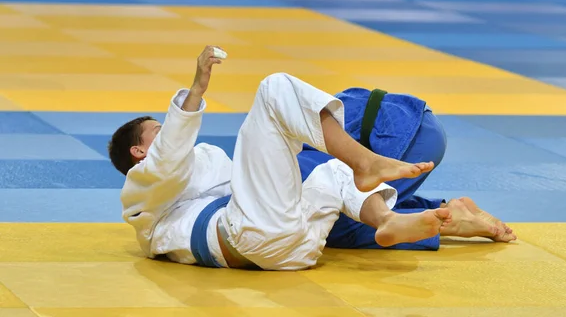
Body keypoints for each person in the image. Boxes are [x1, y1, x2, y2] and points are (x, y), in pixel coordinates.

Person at [108, 46, 451, 271]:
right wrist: (196, 91)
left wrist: (286, 140)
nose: (168, 127)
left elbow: (256, 178)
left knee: (332, 169)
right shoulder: (141, 191)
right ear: (138, 151)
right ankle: (366, 161)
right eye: (158, 128)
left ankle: (385, 219)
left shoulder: (193, 171)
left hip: (296, 247)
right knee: (274, 89)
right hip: (249, 235)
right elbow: (166, 160)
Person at [297, 88, 517, 251]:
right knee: (351, 200)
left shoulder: (295, 168)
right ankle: (440, 208)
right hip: (409, 122)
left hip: (397, 137)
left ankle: (451, 222)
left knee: (337, 224)